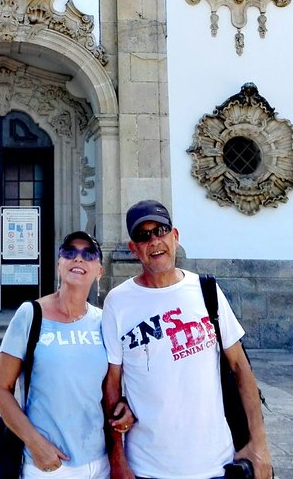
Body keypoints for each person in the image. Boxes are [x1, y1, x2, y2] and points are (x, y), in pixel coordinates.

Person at [101, 201, 272, 479]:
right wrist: (118, 459)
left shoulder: (206, 290)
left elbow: (241, 368)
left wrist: (259, 444)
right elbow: (111, 383)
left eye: (161, 231)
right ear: (133, 249)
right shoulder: (118, 302)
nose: (154, 241)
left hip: (215, 465)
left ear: (175, 236)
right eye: (143, 236)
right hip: (147, 468)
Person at [0, 231, 134, 478]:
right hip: (48, 465)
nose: (78, 259)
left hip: (98, 463)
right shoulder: (30, 315)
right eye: (69, 253)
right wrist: (35, 443)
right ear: (59, 265)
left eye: (88, 255)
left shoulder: (103, 321)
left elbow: (113, 387)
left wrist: (126, 408)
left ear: (99, 270)